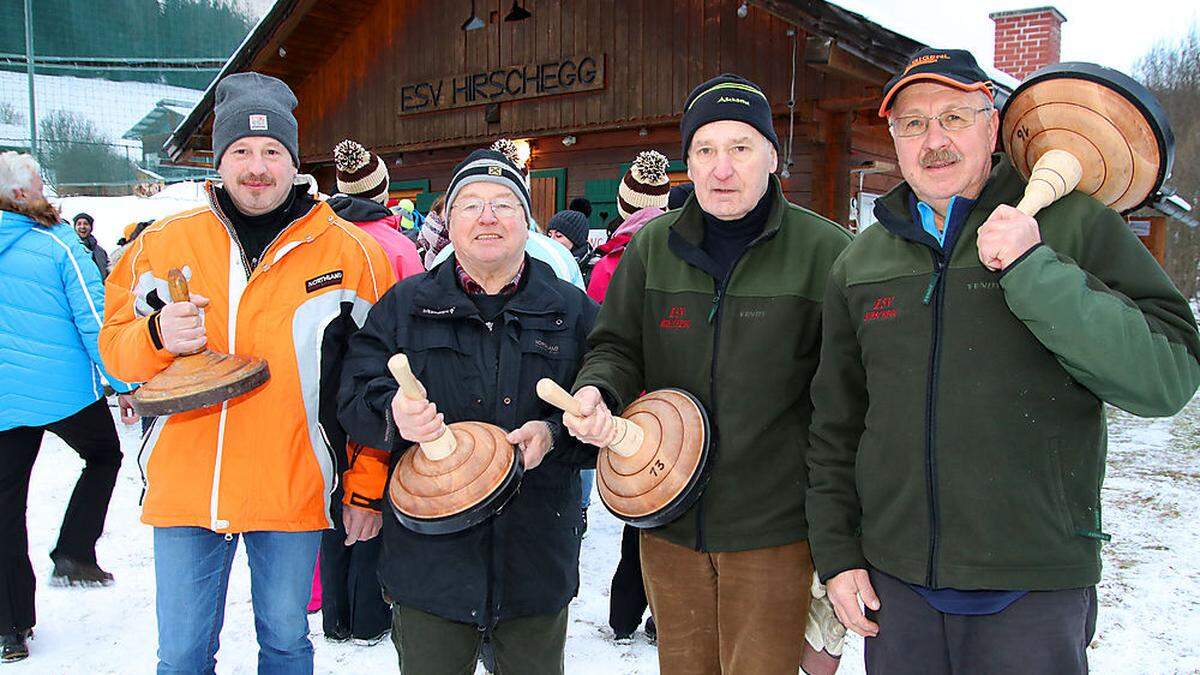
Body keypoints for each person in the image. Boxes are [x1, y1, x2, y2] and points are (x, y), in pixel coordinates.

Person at [806, 48, 1200, 674]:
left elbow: (1167, 378)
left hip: (1032, 583)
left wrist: (1033, 268)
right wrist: (838, 556)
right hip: (897, 587)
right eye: (913, 123)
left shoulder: (1072, 225)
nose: (933, 140)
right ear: (894, 141)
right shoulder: (862, 263)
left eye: (955, 117)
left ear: (992, 125)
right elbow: (835, 428)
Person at [99, 72, 395, 674]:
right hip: (187, 486)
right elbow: (113, 352)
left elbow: (379, 381)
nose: (256, 167)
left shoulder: (351, 254)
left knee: (286, 644)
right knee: (182, 654)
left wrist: (366, 484)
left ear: (293, 161)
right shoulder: (161, 243)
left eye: (271, 152)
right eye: (240, 151)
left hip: (291, 483)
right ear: (220, 160)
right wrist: (157, 336)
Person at [562, 73, 852, 673]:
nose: (723, 168)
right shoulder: (653, 247)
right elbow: (616, 344)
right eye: (706, 150)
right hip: (668, 517)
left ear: (772, 157)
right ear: (688, 164)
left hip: (773, 526)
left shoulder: (826, 252)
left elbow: (847, 401)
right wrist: (598, 388)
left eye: (740, 148)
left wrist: (836, 530)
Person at [338, 147, 599, 675]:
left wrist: (555, 434)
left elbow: (608, 406)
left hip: (535, 557)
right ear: (448, 221)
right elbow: (353, 394)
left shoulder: (573, 312)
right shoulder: (404, 306)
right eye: (470, 204)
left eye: (504, 204)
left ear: (527, 223)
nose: (487, 217)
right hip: (429, 561)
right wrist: (394, 414)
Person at [0, 152, 138, 663]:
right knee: (104, 457)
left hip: (5, 400)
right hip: (64, 394)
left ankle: (9, 627)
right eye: (37, 182)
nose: (45, 189)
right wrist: (124, 383)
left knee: (4, 508)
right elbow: (93, 316)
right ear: (20, 195)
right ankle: (75, 551)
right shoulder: (57, 242)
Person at [316, 138, 425, 644]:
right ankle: (367, 616)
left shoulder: (322, 238)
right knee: (373, 491)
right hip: (381, 385)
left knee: (335, 492)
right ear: (383, 191)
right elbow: (417, 323)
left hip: (322, 387)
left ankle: (334, 613)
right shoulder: (398, 246)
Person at [72, 212, 110, 279]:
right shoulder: (70, 248)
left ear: (91, 227)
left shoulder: (101, 251)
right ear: (75, 227)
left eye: (86, 224)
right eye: (79, 224)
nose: (82, 227)